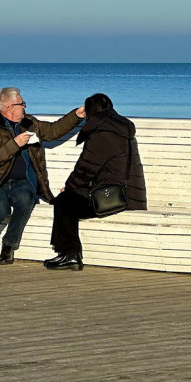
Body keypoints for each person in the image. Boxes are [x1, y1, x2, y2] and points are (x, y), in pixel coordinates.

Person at [0, 88, 85, 265]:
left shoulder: (29, 123)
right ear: (9, 107)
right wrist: (15, 144)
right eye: (21, 104)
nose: (24, 107)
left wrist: (76, 115)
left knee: (27, 199)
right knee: (0, 209)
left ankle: (8, 246)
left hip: (21, 182)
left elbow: (53, 131)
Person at [45, 93, 147, 271]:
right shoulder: (120, 128)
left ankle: (70, 255)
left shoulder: (102, 134)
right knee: (67, 200)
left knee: (63, 202)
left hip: (113, 197)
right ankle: (66, 254)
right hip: (129, 193)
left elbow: (86, 167)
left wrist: (68, 187)